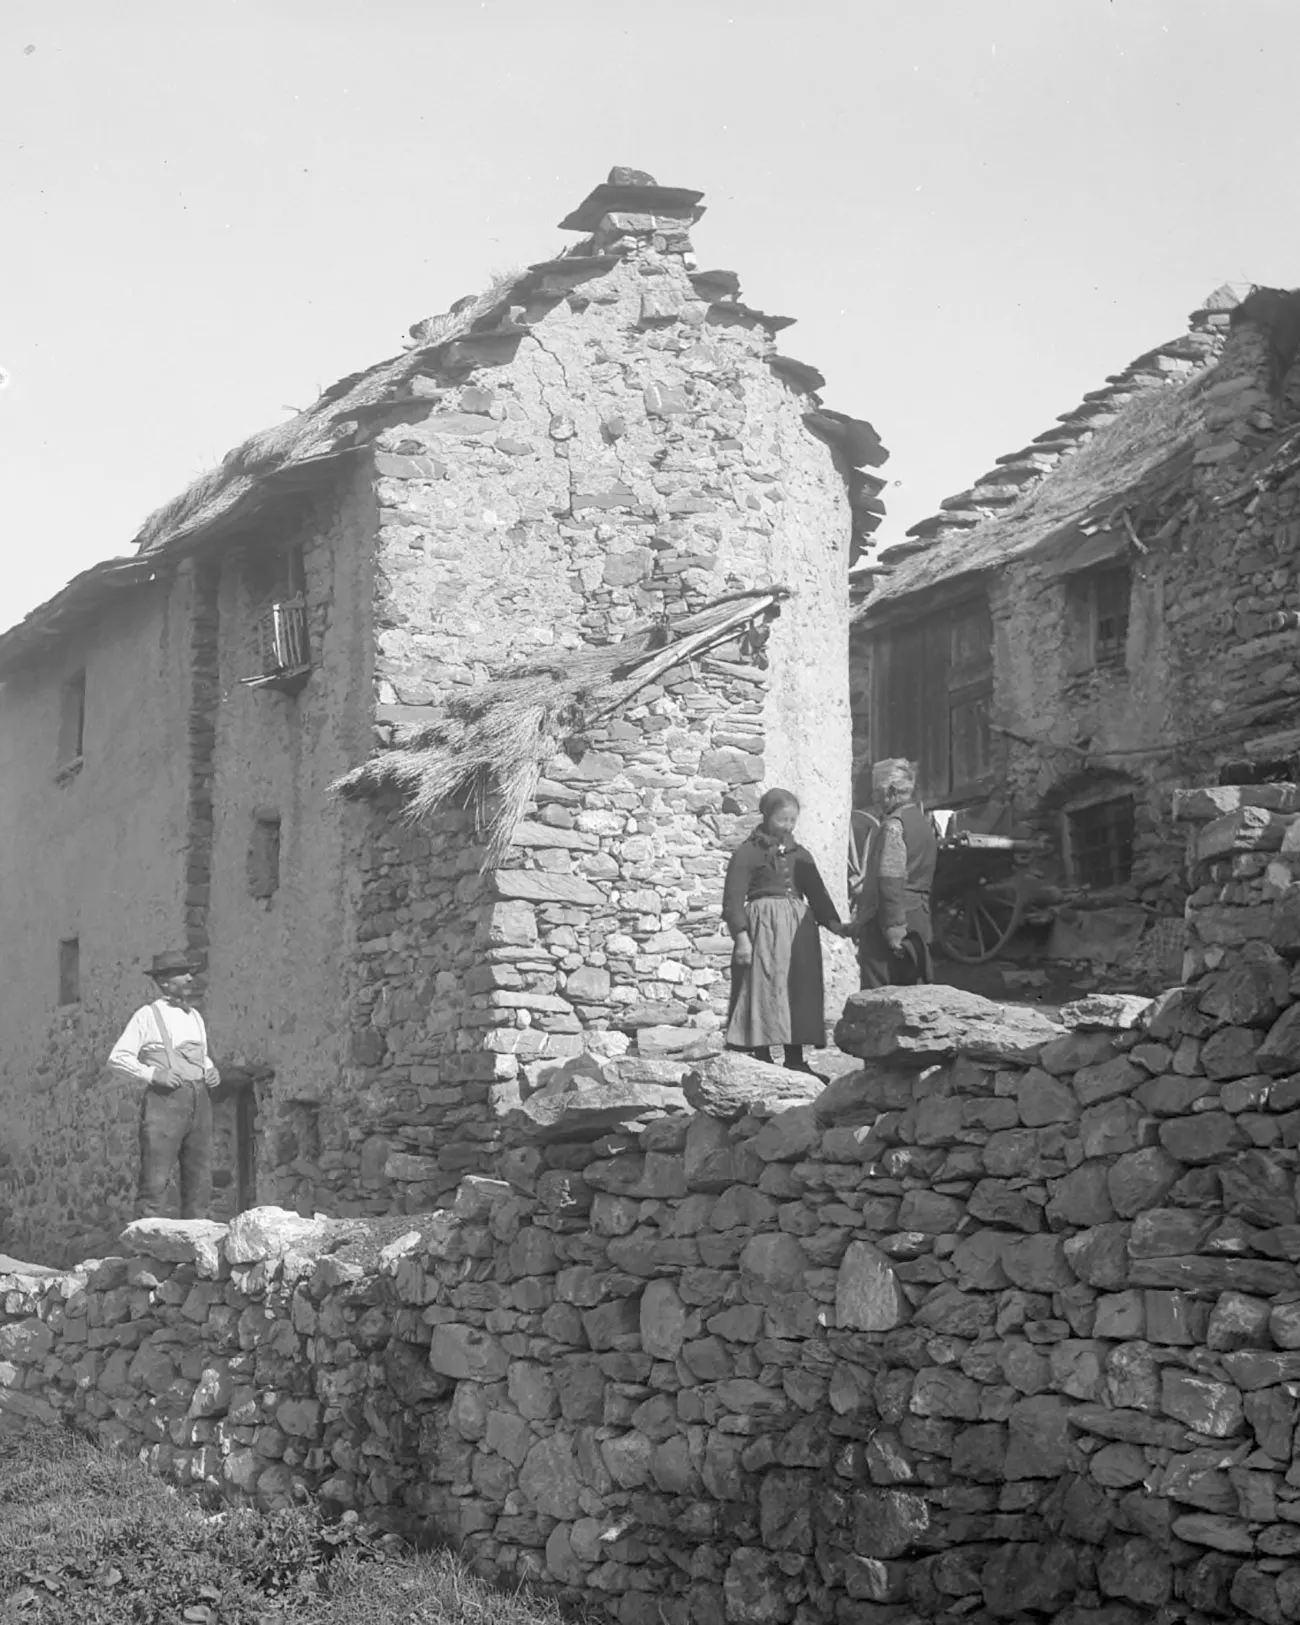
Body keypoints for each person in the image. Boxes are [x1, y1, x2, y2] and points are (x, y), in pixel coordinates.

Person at [723, 787, 847, 1075]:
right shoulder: (748, 852)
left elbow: (817, 893)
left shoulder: (799, 854)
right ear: (767, 817)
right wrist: (741, 937)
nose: (788, 826)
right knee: (762, 987)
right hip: (762, 929)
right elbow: (733, 897)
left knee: (798, 988)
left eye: (793, 821)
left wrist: (835, 924)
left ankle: (795, 1059)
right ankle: (761, 1055)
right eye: (782, 820)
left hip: (797, 933)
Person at [108, 951, 220, 1220]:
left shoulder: (194, 1016)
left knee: (200, 1177)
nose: (190, 977)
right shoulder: (147, 1016)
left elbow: (199, 1055)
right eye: (183, 973)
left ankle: (195, 1246)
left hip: (199, 1098)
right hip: (165, 1101)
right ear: (165, 981)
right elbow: (118, 1058)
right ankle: (146, 1252)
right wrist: (152, 1075)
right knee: (156, 1178)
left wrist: (210, 1069)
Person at [851, 758, 939, 989]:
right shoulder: (920, 821)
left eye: (876, 791)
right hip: (917, 916)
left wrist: (894, 928)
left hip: (893, 921)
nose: (874, 798)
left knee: (880, 996)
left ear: (889, 791)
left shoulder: (894, 826)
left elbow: (890, 880)